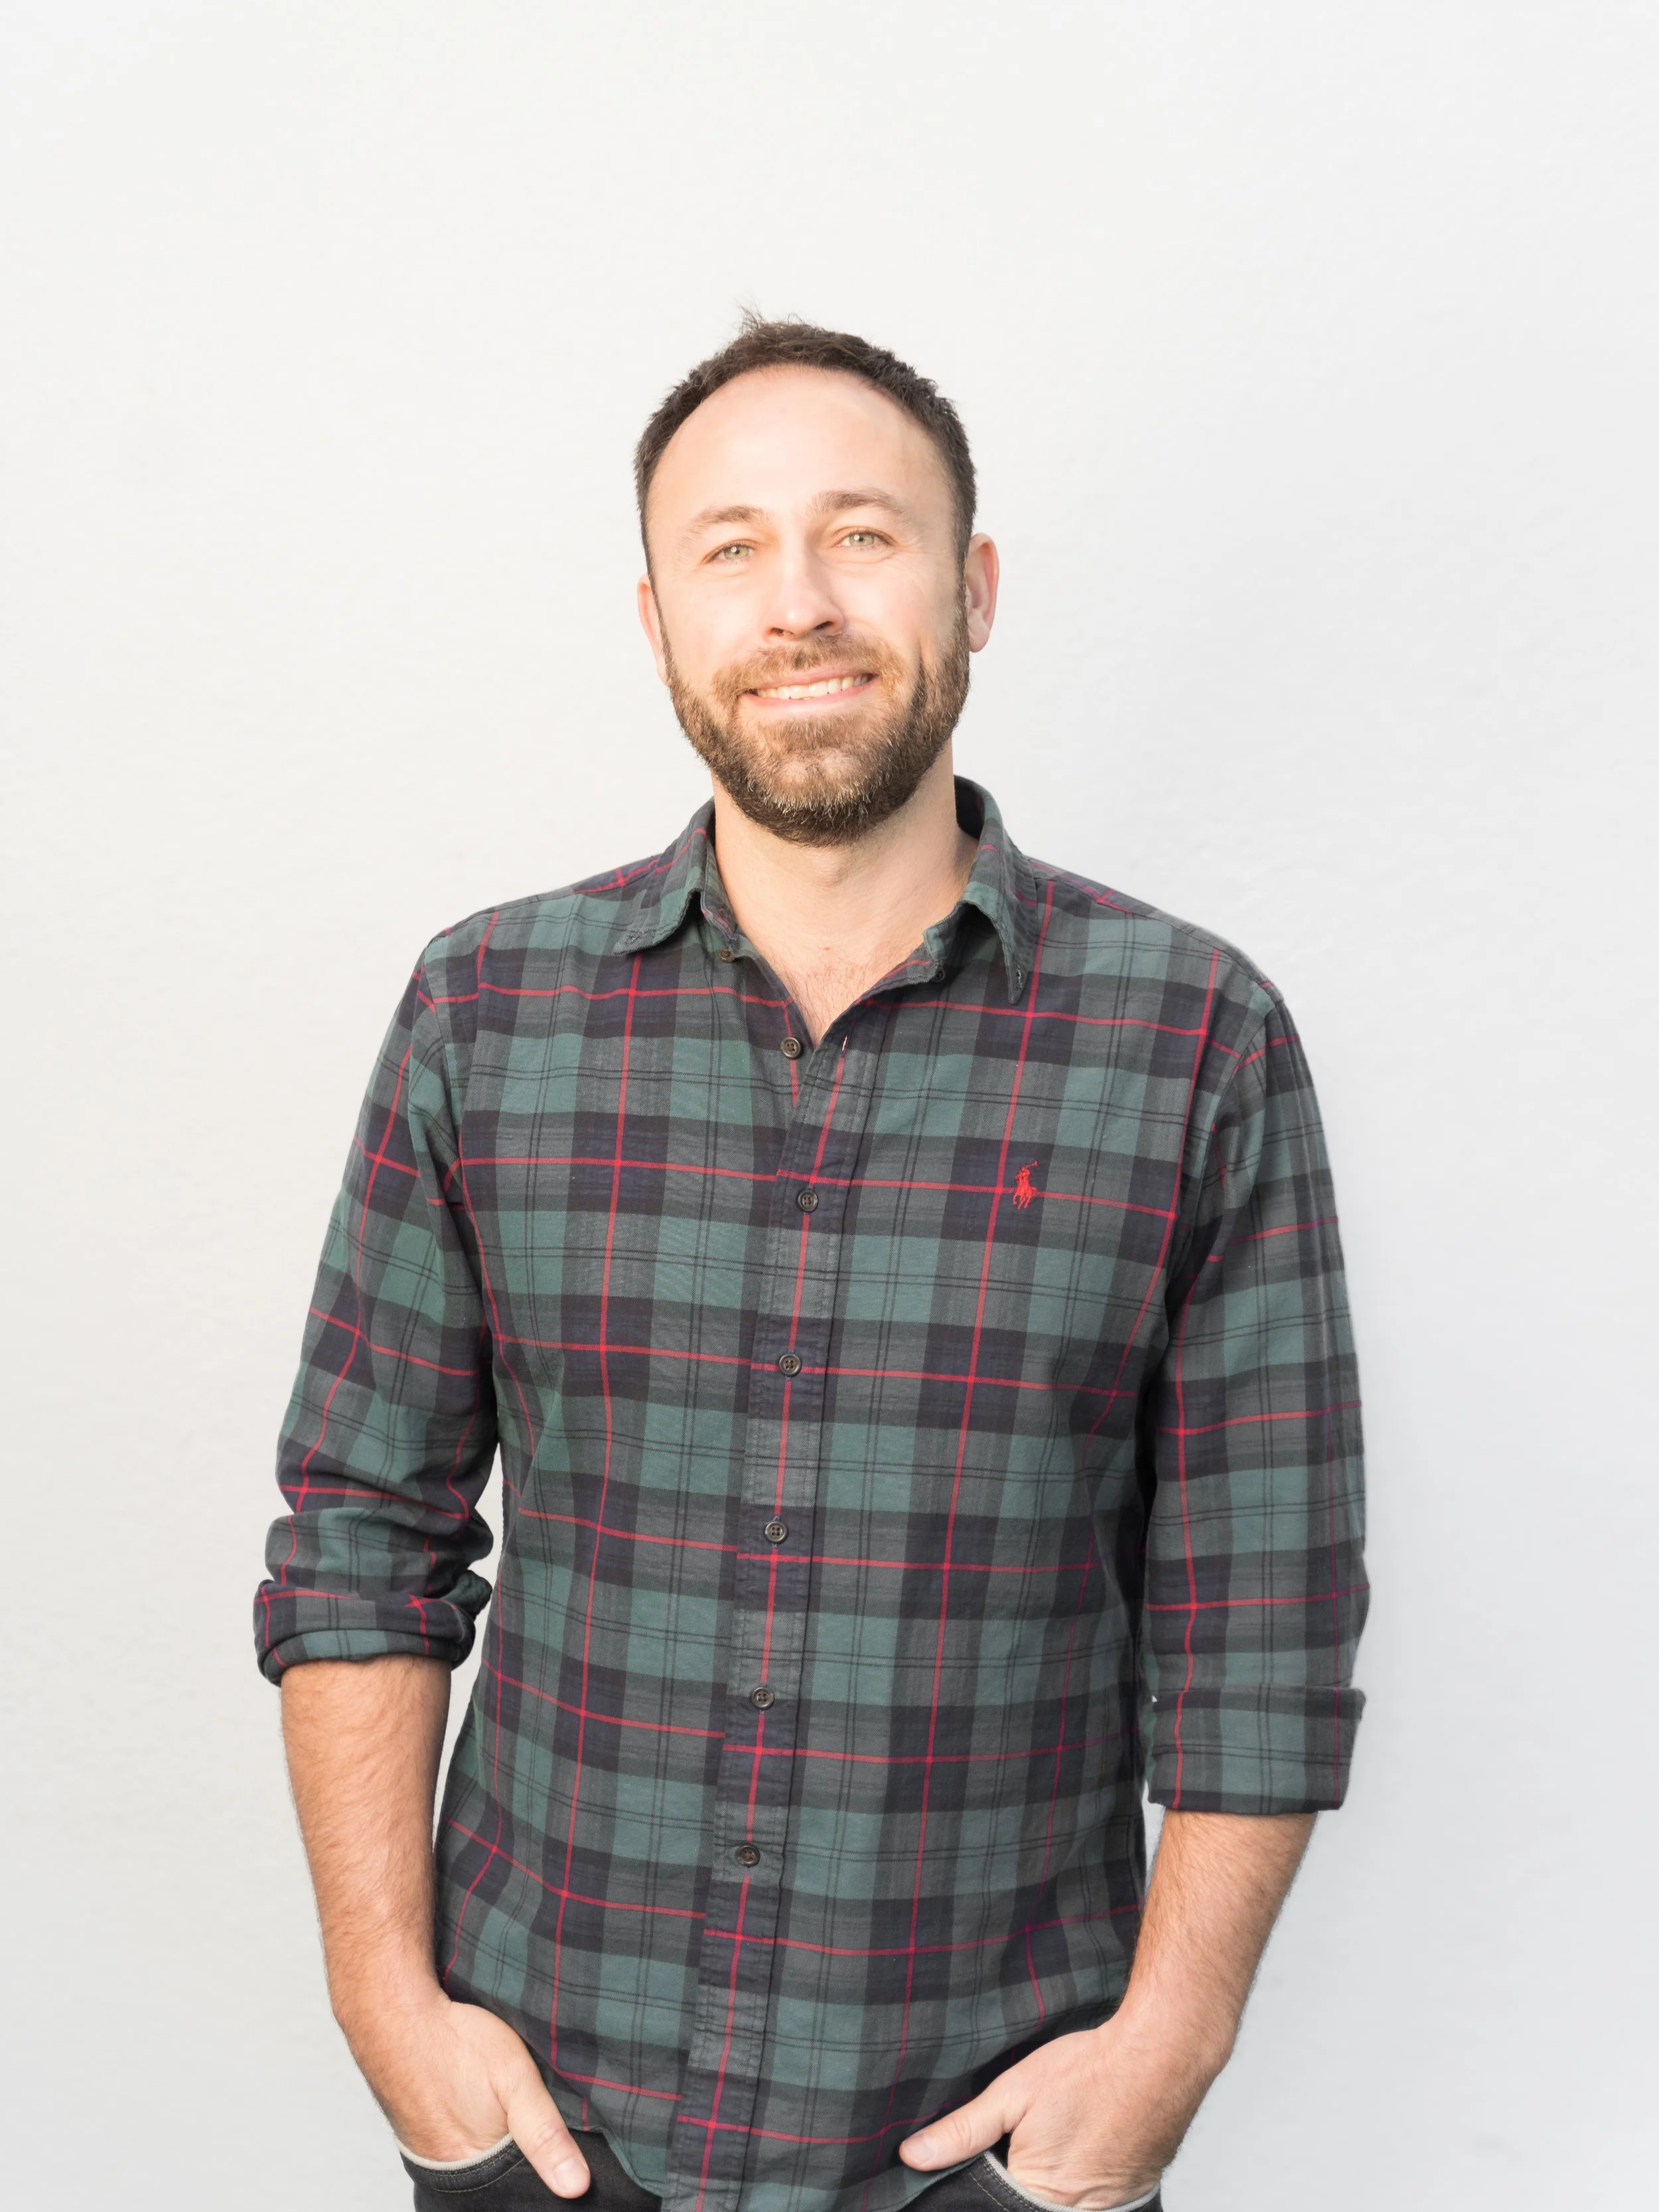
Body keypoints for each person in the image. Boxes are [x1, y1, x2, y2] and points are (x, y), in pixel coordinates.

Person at [256, 317, 1367, 2212]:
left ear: (974, 586)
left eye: (863, 534)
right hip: (547, 2110)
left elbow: (1257, 1615)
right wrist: (387, 2007)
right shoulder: (485, 1011)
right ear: (655, 614)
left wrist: (1165, 2051)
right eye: (729, 546)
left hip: (984, 2126)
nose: (799, 602)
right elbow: (360, 1526)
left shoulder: (1193, 1035)